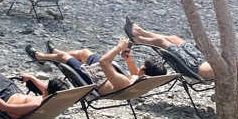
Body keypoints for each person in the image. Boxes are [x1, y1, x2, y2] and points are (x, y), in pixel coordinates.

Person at [124, 18, 238, 81]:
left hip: (193, 68)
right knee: (174, 38)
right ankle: (141, 32)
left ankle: (137, 38)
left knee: (162, 42)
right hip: (200, 60)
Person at [26, 37, 166, 93]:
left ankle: (40, 57)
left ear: (143, 70)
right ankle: (54, 52)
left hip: (94, 79)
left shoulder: (125, 82)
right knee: (85, 53)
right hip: (105, 75)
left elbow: (104, 62)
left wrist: (118, 47)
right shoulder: (141, 83)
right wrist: (129, 60)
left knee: (64, 57)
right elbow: (136, 75)